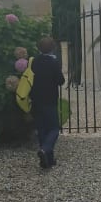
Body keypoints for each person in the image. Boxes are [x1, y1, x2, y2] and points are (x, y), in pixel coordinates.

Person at [30, 36, 65, 169]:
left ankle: (47, 160)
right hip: (50, 99)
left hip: (36, 99)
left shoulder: (35, 61)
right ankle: (45, 149)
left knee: (42, 129)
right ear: (53, 48)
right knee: (54, 128)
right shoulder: (53, 62)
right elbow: (61, 81)